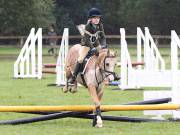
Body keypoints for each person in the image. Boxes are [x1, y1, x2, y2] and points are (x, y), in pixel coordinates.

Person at [68, 8, 107, 84]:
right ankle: (74, 77)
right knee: (80, 59)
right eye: (95, 18)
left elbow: (103, 37)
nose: (97, 19)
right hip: (86, 44)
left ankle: (106, 74)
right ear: (91, 19)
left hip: (96, 43)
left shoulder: (100, 25)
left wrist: (103, 45)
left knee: (104, 54)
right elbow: (87, 40)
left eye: (98, 18)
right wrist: (92, 49)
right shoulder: (87, 26)